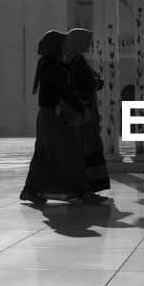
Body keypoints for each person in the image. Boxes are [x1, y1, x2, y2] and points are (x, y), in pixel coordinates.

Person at [19, 30, 86, 204]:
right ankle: (68, 191)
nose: (65, 48)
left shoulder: (48, 63)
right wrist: (80, 105)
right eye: (62, 44)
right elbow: (63, 89)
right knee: (64, 151)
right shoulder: (51, 64)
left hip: (48, 114)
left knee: (45, 153)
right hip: (52, 115)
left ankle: (31, 190)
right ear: (55, 45)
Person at [60, 27, 111, 202]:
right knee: (89, 149)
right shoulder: (79, 61)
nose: (89, 44)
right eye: (87, 41)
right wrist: (98, 82)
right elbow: (90, 84)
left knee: (79, 151)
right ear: (79, 42)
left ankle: (78, 189)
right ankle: (87, 190)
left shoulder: (66, 60)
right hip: (84, 113)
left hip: (75, 113)